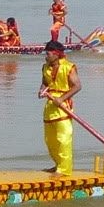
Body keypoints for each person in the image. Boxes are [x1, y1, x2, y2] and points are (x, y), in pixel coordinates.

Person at [38, 39, 81, 176]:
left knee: (63, 138)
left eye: (48, 53)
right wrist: (42, 90)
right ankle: (58, 164)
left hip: (63, 105)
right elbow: (45, 82)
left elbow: (77, 86)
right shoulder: (45, 67)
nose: (46, 56)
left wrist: (62, 98)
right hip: (50, 107)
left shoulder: (68, 67)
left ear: (56, 54)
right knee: (49, 139)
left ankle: (64, 169)